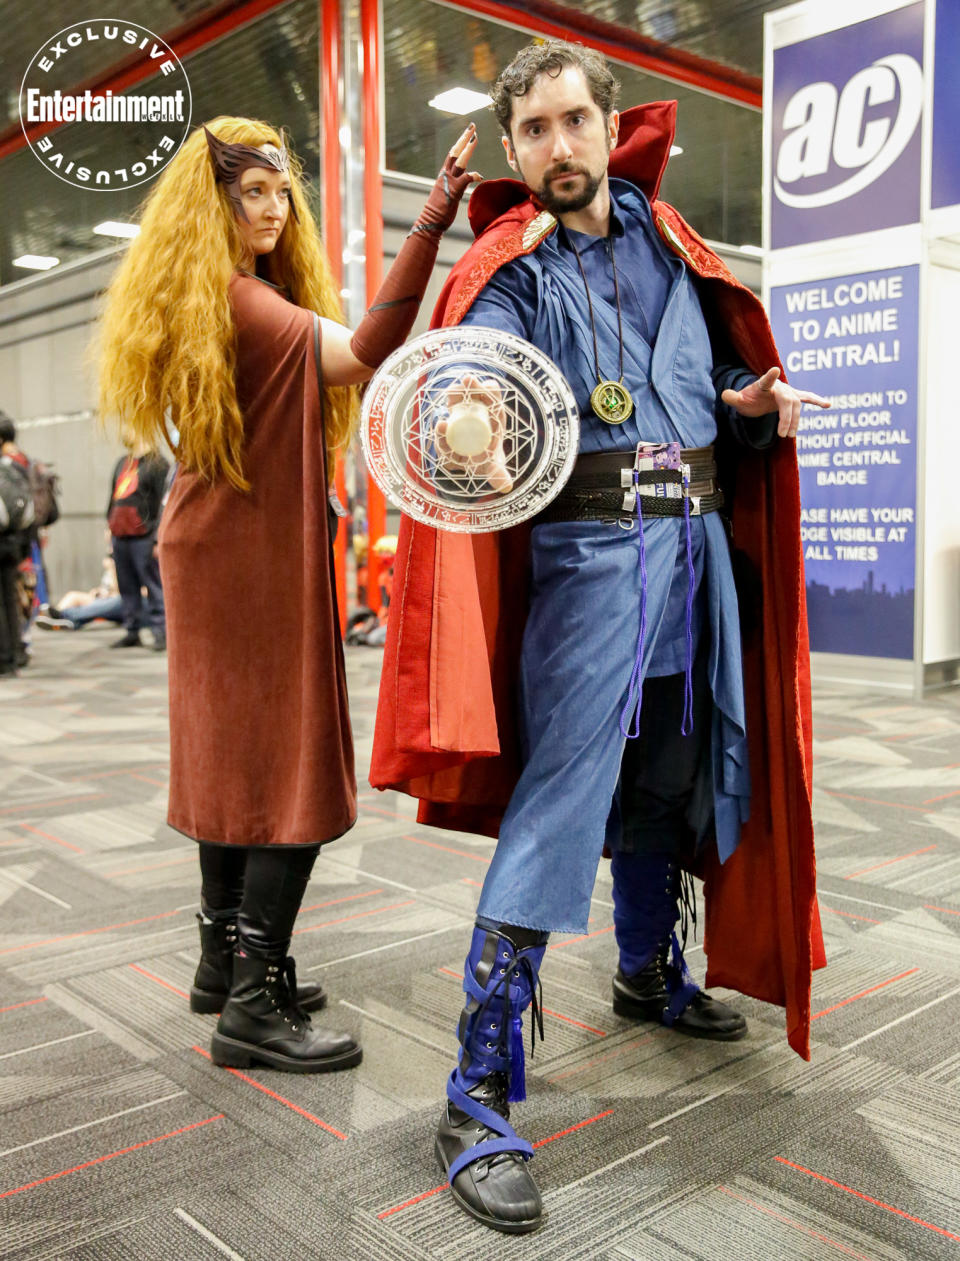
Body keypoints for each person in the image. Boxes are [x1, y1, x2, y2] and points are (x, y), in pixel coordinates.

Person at [371, 41, 828, 1233]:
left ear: (606, 123)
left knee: (672, 769)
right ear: (515, 149)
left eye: (575, 121)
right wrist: (466, 412)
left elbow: (722, 365)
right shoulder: (512, 263)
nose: (558, 147)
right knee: (562, 798)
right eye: (534, 131)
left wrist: (749, 399)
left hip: (694, 559)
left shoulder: (674, 244)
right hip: (586, 564)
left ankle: (643, 971)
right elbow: (471, 370)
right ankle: (474, 1091)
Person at [98, 116, 479, 1073]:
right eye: (249, 194)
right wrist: (431, 219)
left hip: (218, 544)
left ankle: (221, 960)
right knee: (289, 767)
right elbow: (369, 347)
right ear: (213, 204)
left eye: (280, 193)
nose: (270, 210)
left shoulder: (211, 298)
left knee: (233, 756)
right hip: (248, 556)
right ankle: (254, 1005)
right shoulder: (246, 303)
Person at [106, 435, 170, 650]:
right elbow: (113, 498)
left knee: (153, 584)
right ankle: (132, 629)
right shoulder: (122, 463)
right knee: (126, 584)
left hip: (144, 534)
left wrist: (156, 537)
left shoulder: (157, 464)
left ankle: (160, 631)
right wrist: (109, 527)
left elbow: (163, 502)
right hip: (120, 534)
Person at [0, 412, 34, 677]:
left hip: (5, 539)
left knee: (6, 600)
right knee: (11, 599)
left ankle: (6, 657)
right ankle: (16, 652)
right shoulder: (20, 464)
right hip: (17, 540)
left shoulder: (7, 464)